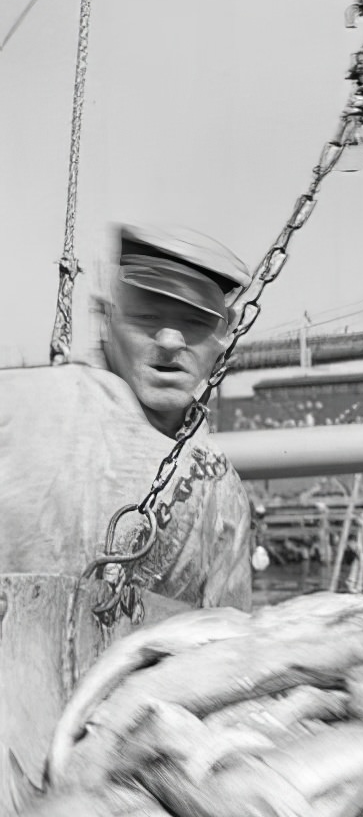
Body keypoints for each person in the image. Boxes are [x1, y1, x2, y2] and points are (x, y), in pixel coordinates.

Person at [0, 223, 253, 612]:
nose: (170, 342)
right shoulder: (27, 407)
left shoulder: (220, 488)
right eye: (148, 317)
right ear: (106, 317)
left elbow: (227, 645)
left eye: (195, 323)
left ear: (226, 334)